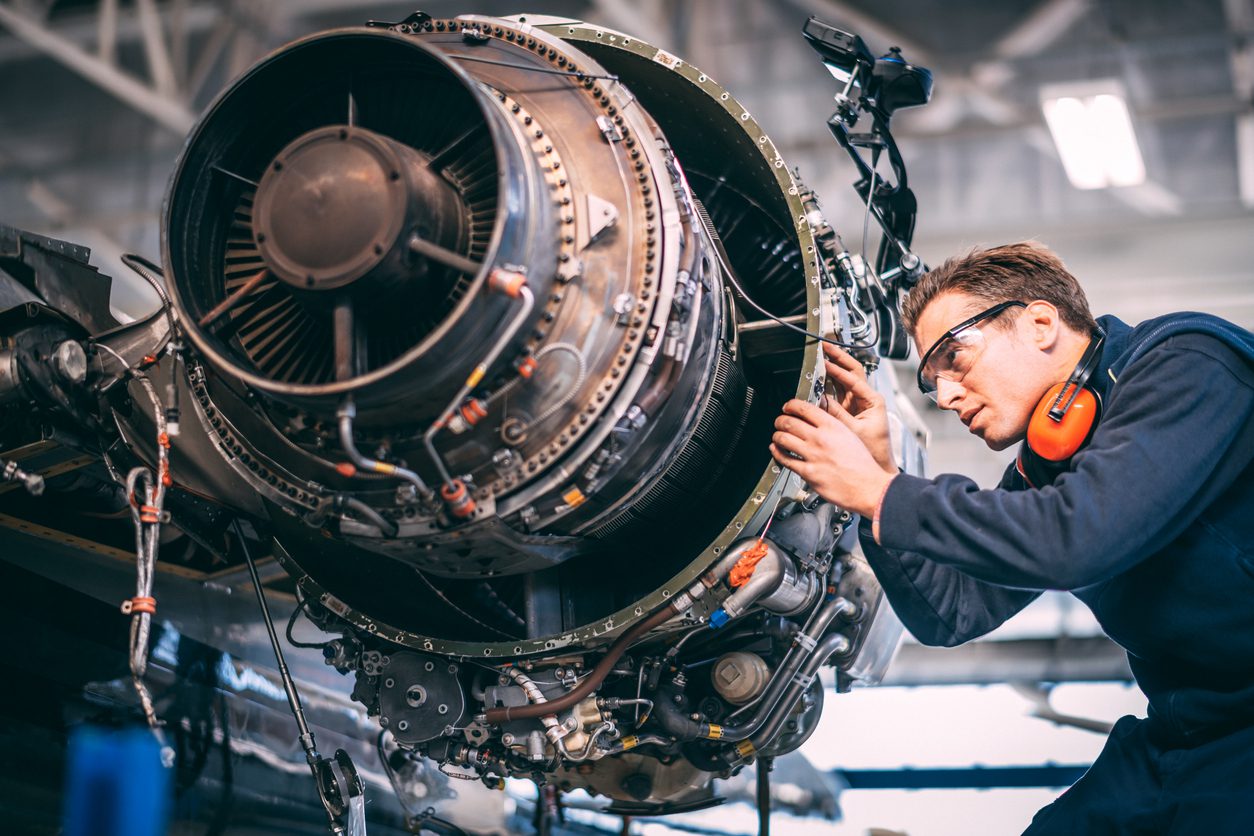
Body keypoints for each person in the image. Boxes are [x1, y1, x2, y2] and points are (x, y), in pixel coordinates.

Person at [769, 242, 1254, 834]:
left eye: (954, 357)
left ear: (1041, 322)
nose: (945, 396)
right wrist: (882, 477)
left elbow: (1078, 538)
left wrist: (881, 493)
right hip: (1190, 732)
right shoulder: (1047, 467)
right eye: (930, 382)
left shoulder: (1187, 365)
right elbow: (950, 612)